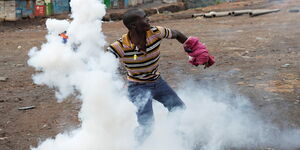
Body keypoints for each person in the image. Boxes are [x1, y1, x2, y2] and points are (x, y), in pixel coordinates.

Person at [106, 8, 214, 143]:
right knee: (147, 126)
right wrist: (116, 80)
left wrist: (197, 51)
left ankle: (171, 134)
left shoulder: (155, 32)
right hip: (137, 87)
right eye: (144, 18)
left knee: (178, 108)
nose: (148, 20)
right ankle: (136, 145)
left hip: (157, 82)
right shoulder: (121, 45)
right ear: (134, 26)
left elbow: (177, 34)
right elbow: (104, 61)